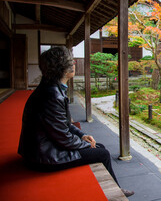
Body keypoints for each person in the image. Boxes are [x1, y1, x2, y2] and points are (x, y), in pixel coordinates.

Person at [18, 46, 134, 197]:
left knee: (99, 147)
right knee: (102, 152)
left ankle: (114, 189)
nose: (74, 64)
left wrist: (82, 135)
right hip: (44, 157)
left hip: (40, 149)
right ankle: (116, 194)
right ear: (63, 69)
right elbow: (63, 137)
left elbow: (63, 124)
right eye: (71, 62)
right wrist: (87, 144)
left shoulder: (51, 88)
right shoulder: (52, 95)